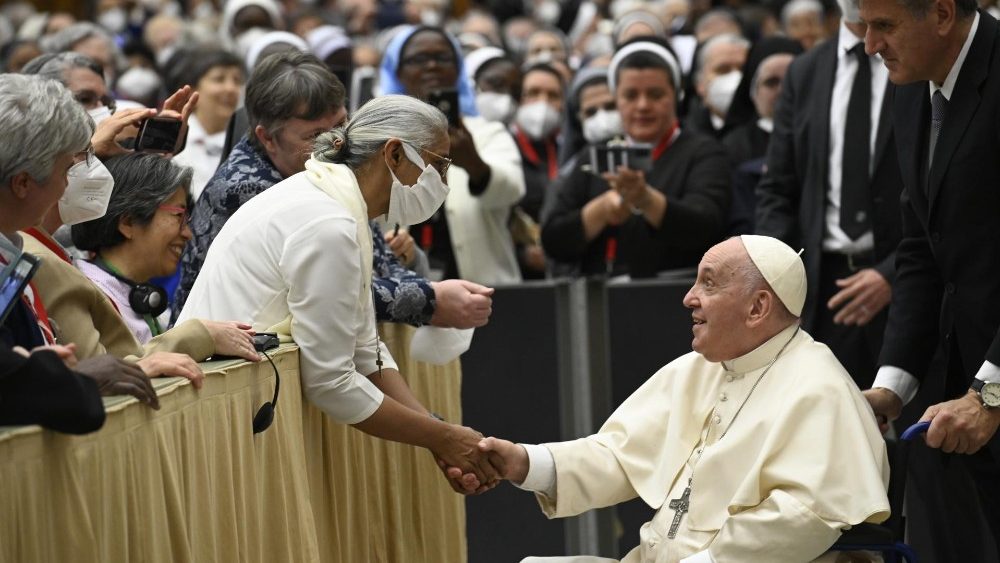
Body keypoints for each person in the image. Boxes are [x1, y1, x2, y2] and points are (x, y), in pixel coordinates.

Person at [474, 235, 889, 562]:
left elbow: (808, 514)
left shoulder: (819, 385)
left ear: (758, 307)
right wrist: (525, 463)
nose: (688, 297)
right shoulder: (699, 367)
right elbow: (620, 456)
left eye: (708, 283)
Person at [178, 95, 499, 488]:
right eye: (439, 165)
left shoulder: (333, 201)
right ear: (395, 154)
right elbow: (330, 383)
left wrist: (437, 434)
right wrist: (442, 438)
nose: (444, 182)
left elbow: (365, 350)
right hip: (222, 416)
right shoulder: (327, 220)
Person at [173, 50, 493, 331]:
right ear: (268, 138)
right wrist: (431, 299)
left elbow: (376, 263)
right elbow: (330, 294)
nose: (338, 143)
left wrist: (411, 275)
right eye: (317, 135)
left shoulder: (332, 174)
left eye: (343, 126)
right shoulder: (248, 188)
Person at [859, 0, 1000, 557]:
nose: (869, 45)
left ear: (942, 14)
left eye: (884, 26)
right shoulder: (910, 87)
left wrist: (990, 394)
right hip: (954, 399)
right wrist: (892, 388)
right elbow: (920, 246)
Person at [757, 0, 903, 391]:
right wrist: (778, 277)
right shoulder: (805, 71)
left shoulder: (917, 61)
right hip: (824, 287)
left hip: (908, 279)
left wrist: (892, 273)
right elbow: (778, 189)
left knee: (915, 437)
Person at [0, 73, 161, 409]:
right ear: (22, 184)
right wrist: (73, 379)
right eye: (65, 172)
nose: (65, 187)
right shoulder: (24, 251)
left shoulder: (11, 245)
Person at [541, 39, 731, 278]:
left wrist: (644, 199)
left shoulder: (704, 152)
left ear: (676, 95)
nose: (642, 105)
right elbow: (553, 241)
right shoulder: (595, 154)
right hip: (601, 301)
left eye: (655, 94)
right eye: (631, 95)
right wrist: (602, 209)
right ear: (616, 99)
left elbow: (706, 227)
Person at [381, 25, 526, 285]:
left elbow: (512, 191)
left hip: (483, 298)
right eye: (419, 59)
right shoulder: (377, 138)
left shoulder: (486, 132)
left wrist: (475, 165)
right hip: (398, 301)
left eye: (443, 57)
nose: (432, 66)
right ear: (398, 71)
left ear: (458, 69)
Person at [167, 47, 246, 200]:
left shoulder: (246, 142)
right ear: (192, 90)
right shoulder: (173, 139)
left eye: (237, 80)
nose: (231, 88)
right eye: (219, 79)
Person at [511, 62, 565, 279]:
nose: (543, 103)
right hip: (518, 273)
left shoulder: (569, 151)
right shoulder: (503, 149)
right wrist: (521, 254)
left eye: (553, 95)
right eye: (533, 93)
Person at [685, 33, 750, 139]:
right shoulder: (685, 136)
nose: (736, 77)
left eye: (743, 70)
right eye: (723, 70)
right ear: (700, 83)